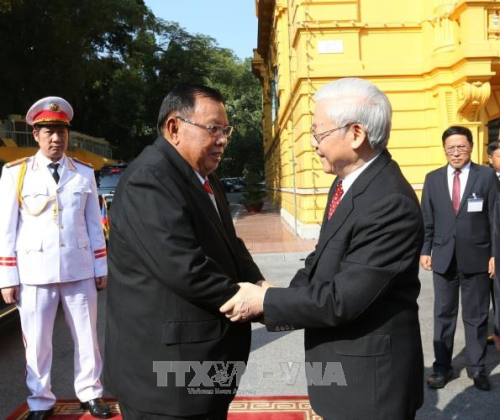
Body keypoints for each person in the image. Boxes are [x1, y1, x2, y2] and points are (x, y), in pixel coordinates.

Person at [220, 78, 425, 420]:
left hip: (369, 385)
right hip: (340, 367)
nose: (314, 144)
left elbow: (343, 299)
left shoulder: (389, 202)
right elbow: (322, 257)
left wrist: (266, 302)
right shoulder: (346, 183)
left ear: (356, 134)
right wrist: (280, 294)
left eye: (319, 132)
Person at [103, 84, 266, 419]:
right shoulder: (150, 179)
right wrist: (256, 303)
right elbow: (184, 267)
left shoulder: (204, 176)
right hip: (167, 380)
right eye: (213, 129)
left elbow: (230, 243)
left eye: (226, 130)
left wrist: (259, 283)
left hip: (203, 366)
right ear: (174, 128)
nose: (222, 140)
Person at [0, 97, 111, 419]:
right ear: (35, 135)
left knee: (87, 338)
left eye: (61, 132)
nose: (56, 138)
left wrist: (100, 266)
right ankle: (40, 400)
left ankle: (90, 393)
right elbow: (6, 230)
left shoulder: (83, 173)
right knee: (37, 343)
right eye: (48, 132)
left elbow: (94, 225)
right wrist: (7, 277)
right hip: (34, 272)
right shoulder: (16, 174)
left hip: (79, 269)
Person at [420, 126, 497, 391]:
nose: (456, 152)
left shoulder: (486, 176)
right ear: (444, 149)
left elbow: (495, 218)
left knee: (476, 316)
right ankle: (442, 368)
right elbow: (427, 219)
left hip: (478, 257)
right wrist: (425, 249)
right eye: (450, 148)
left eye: (461, 147)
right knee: (443, 314)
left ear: (471, 147)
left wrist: (495, 254)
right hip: (444, 258)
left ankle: (477, 368)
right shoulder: (432, 179)